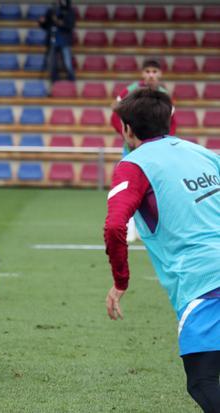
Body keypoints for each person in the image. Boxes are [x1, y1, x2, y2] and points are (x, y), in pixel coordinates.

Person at [104, 87, 219, 412]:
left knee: (202, 382)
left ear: (127, 129)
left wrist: (120, 281)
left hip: (205, 285)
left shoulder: (133, 165)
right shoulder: (203, 152)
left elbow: (115, 227)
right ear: (169, 119)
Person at [110, 58, 178, 242]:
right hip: (132, 150)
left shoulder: (165, 96)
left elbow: (171, 123)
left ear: (160, 74)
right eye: (148, 71)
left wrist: (164, 142)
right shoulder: (128, 92)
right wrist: (130, 137)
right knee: (130, 188)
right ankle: (129, 229)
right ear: (142, 73)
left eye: (154, 72)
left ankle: (151, 228)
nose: (151, 75)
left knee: (155, 189)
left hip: (158, 152)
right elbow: (116, 118)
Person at [38, 0, 76, 84]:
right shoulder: (51, 11)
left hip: (64, 39)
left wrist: (59, 22)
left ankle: (72, 79)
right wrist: (42, 23)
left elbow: (70, 26)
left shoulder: (69, 11)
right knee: (52, 62)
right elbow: (46, 26)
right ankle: (54, 79)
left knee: (67, 61)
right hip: (52, 39)